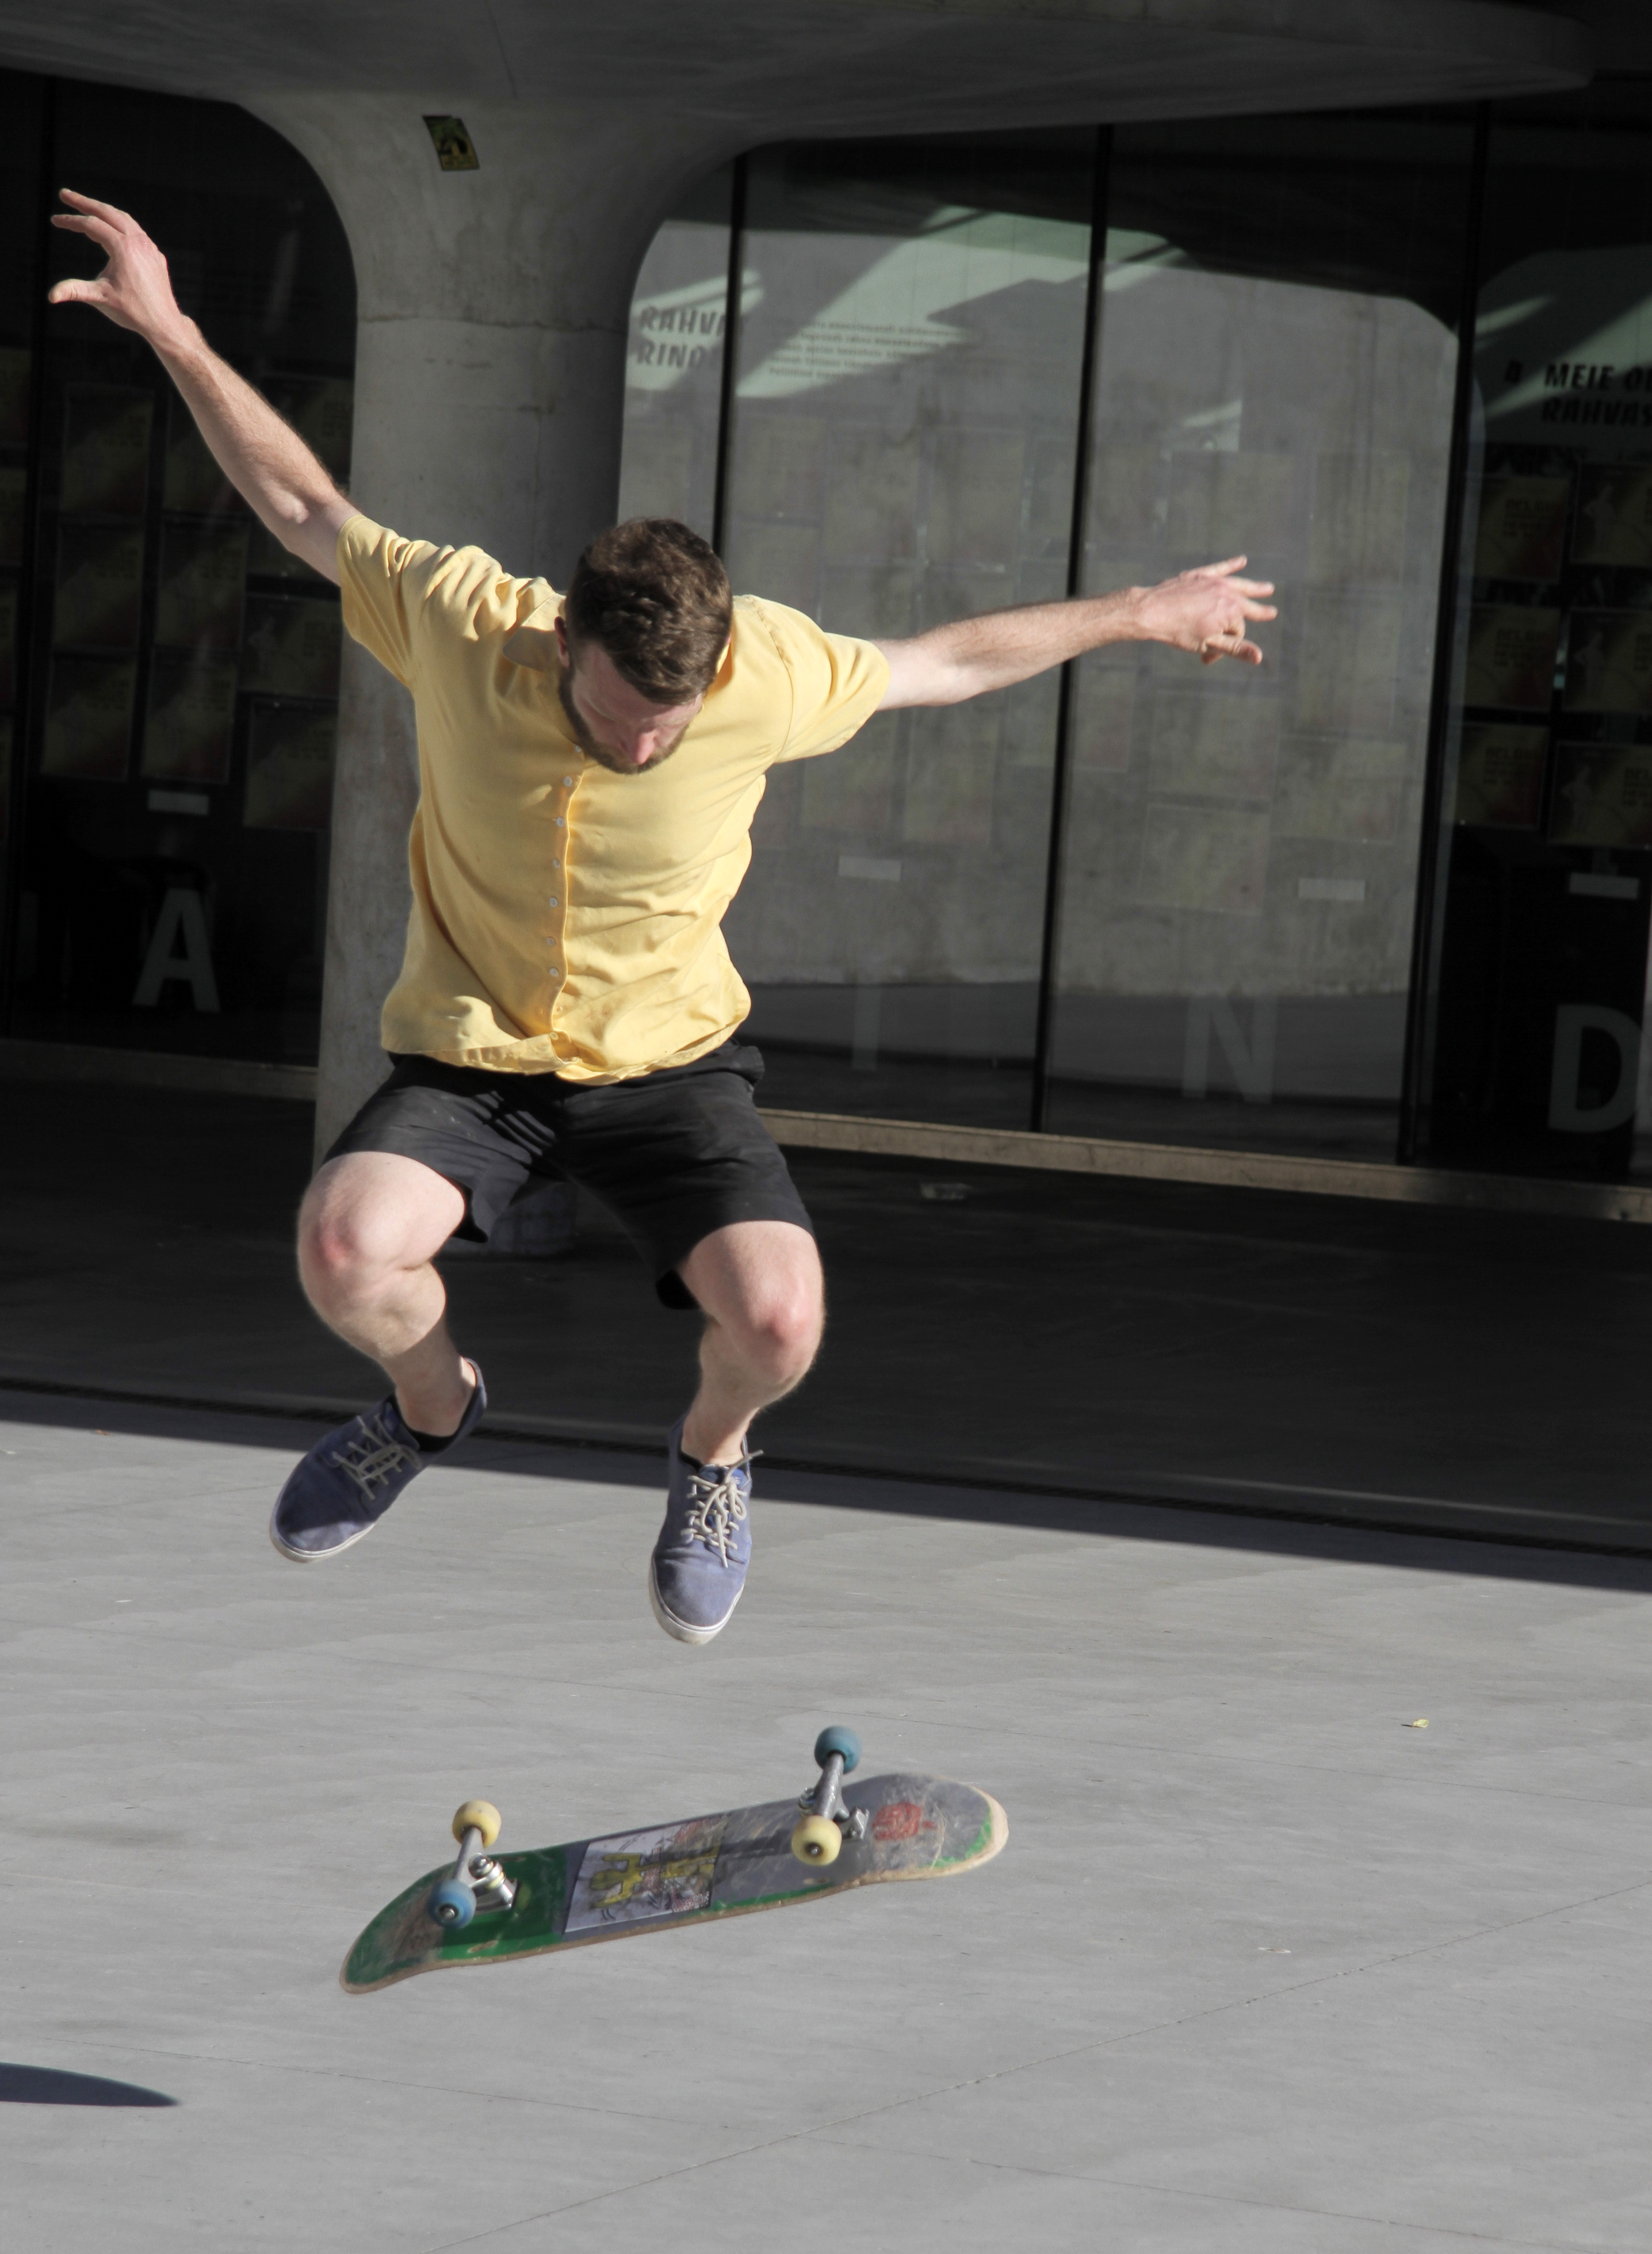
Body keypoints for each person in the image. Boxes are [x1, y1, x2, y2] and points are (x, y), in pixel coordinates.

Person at [49, 188, 1277, 1644]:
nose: (645, 745)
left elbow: (941, 662)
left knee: (780, 1324)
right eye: (624, 717)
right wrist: (178, 332)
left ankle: (711, 1461)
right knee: (344, 1247)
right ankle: (431, 1411)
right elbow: (310, 508)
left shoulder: (763, 672)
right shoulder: (461, 620)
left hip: (670, 1069)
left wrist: (1139, 610)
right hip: (476, 1060)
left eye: (671, 727)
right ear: (563, 640)